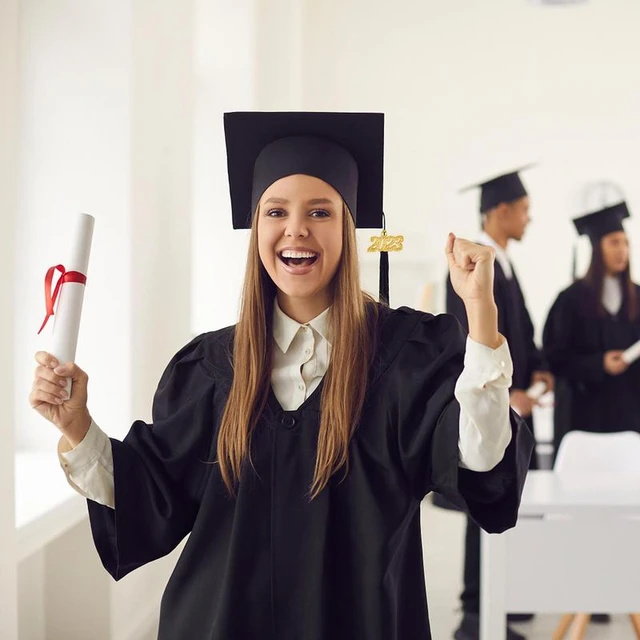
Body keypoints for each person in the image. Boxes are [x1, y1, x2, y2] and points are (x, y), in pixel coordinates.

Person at [30, 112, 533, 640]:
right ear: (257, 228)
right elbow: (146, 494)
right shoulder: (209, 369)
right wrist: (77, 425)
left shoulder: (407, 358)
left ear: (346, 224)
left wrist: (481, 319)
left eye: (320, 211)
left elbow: (481, 458)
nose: (297, 228)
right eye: (276, 211)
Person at [443, 167, 553, 640]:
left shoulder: (505, 263)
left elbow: (521, 330)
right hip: (492, 405)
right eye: (524, 210)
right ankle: (476, 614)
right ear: (501, 210)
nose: (529, 218)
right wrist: (512, 392)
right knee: (484, 500)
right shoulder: (472, 266)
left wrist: (539, 369)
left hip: (516, 403)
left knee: (507, 501)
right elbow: (469, 338)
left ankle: (502, 603)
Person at [544, 201, 640, 443]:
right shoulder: (570, 300)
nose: (623, 250)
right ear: (598, 248)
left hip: (629, 417)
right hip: (584, 417)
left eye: (626, 243)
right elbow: (554, 358)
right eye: (614, 243)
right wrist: (600, 364)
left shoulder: (637, 296)